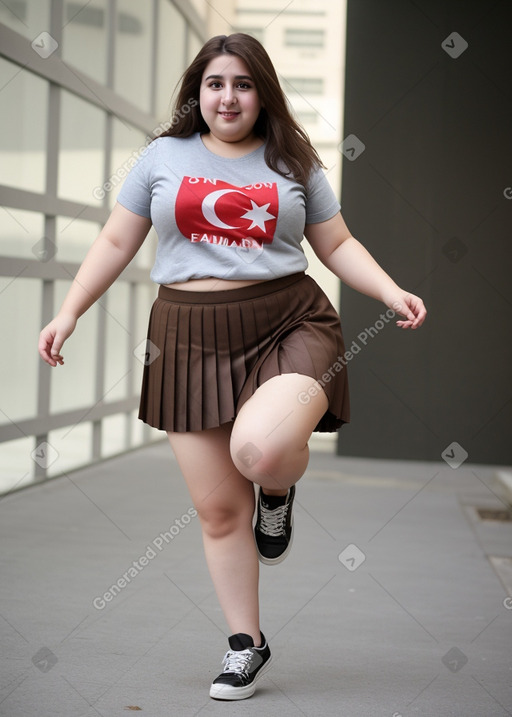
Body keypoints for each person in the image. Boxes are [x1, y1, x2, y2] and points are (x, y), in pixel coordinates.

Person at [38, 33, 426, 701]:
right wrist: (69, 311)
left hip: (288, 320)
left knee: (261, 449)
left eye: (243, 84)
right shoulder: (162, 156)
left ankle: (276, 495)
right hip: (186, 334)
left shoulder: (293, 159)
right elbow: (114, 239)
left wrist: (389, 291)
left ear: (262, 93)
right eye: (216, 83)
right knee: (218, 510)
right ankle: (246, 644)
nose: (228, 96)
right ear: (198, 91)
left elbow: (337, 241)